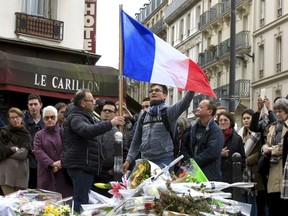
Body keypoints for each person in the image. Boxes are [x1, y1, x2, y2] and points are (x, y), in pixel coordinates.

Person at [61, 89, 125, 213]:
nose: (94, 103)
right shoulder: (75, 117)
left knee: (83, 199)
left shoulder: (85, 115)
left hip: (86, 166)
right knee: (81, 201)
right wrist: (110, 123)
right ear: (82, 103)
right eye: (91, 101)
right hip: (80, 165)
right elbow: (87, 130)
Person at [122, 84, 195, 172]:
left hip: (164, 161)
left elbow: (184, 103)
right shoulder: (143, 115)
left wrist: (192, 90)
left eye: (157, 90)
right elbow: (136, 141)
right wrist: (128, 160)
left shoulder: (169, 112)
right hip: (145, 161)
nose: (153, 92)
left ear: (165, 95)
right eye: (151, 91)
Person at [34, 105, 73, 198]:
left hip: (63, 173)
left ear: (56, 118)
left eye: (52, 117)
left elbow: (69, 148)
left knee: (64, 203)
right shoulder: (39, 135)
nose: (49, 120)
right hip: (46, 173)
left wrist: (60, 163)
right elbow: (38, 151)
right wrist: (52, 164)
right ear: (43, 119)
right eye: (47, 118)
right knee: (46, 203)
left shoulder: (64, 132)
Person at [181, 99, 224, 181]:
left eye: (201, 107)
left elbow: (212, 153)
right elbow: (184, 146)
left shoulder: (216, 130)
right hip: (191, 173)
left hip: (208, 175)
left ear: (210, 111)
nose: (197, 108)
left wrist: (193, 163)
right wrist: (188, 161)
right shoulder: (192, 127)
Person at [262, 98, 288, 215]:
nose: (277, 114)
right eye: (276, 111)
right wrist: (265, 147)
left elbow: (285, 146)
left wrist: (271, 150)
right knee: (273, 206)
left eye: (280, 111)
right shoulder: (273, 126)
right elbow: (268, 142)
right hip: (272, 170)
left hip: (284, 170)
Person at [238, 109, 265, 216]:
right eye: (244, 118)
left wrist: (248, 160)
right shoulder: (240, 133)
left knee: (258, 202)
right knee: (245, 200)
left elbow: (260, 151)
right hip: (244, 171)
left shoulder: (257, 133)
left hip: (255, 172)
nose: (245, 120)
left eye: (248, 118)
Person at [0, 107, 31, 195]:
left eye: (17, 117)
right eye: (12, 118)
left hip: (20, 173)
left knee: (19, 204)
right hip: (5, 174)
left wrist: (7, 151)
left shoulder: (26, 135)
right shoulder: (3, 132)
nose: (15, 120)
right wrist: (14, 149)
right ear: (9, 120)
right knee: (9, 203)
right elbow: (1, 151)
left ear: (21, 118)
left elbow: (23, 154)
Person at [92, 101, 118, 197]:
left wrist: (114, 168)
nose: (107, 112)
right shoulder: (93, 128)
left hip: (108, 174)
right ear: (100, 113)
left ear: (115, 114)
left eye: (110, 111)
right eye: (105, 110)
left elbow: (124, 152)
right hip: (92, 172)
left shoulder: (118, 132)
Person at [218, 111, 245, 188]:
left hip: (232, 178)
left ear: (231, 122)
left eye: (225, 120)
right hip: (217, 176)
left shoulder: (237, 139)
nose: (223, 122)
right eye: (220, 120)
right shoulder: (213, 138)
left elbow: (242, 159)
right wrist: (219, 154)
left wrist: (238, 174)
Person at [23, 93, 45, 189]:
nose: (33, 107)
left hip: (43, 161)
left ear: (41, 105)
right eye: (30, 104)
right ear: (27, 106)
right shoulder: (22, 121)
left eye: (35, 104)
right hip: (26, 162)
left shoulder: (47, 119)